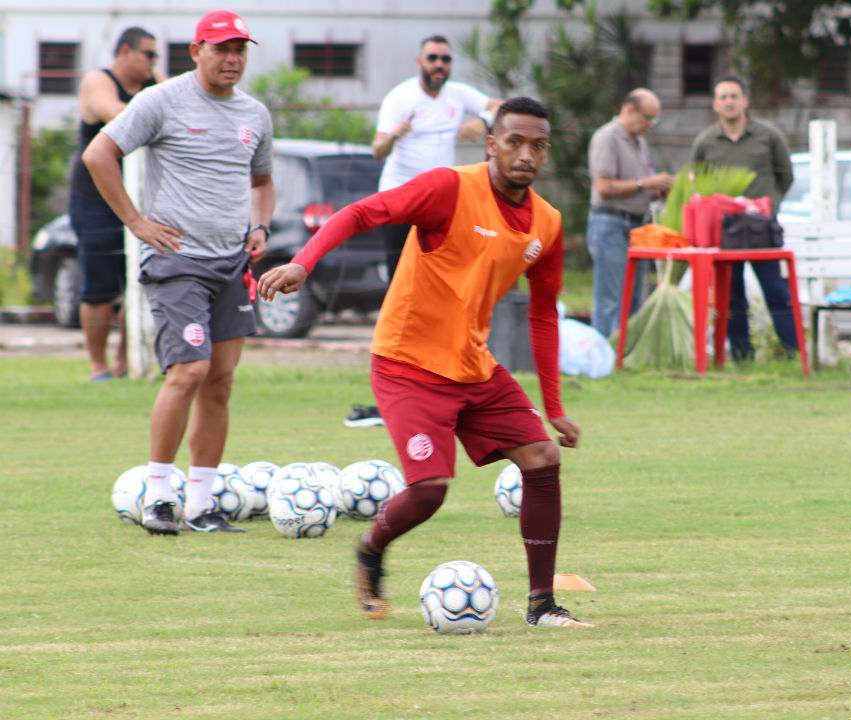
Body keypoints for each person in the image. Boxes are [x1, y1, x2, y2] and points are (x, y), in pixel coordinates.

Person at [260, 97, 593, 629]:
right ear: (491, 144)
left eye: (538, 145)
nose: (526, 154)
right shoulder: (449, 189)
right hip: (407, 363)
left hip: (474, 365)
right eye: (514, 142)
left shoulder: (547, 224)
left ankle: (542, 605)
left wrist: (554, 408)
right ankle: (371, 548)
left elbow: (543, 316)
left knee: (542, 458)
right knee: (431, 489)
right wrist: (304, 262)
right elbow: (361, 212)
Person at [83, 10, 275, 535]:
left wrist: (260, 225)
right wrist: (135, 221)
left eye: (239, 49)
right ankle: (159, 497)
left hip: (232, 262)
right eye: (221, 48)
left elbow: (262, 181)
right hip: (178, 262)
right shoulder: (161, 100)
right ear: (196, 51)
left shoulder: (255, 114)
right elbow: (99, 154)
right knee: (188, 371)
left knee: (220, 382)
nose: (231, 59)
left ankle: (201, 506)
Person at [345, 35, 502, 428]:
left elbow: (501, 107)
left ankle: (439, 383)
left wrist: (482, 123)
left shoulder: (457, 94)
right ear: (419, 61)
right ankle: (393, 390)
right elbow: (377, 150)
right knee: (402, 294)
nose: (439, 65)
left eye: (445, 59)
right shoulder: (401, 98)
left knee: (444, 292)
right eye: (433, 58)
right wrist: (395, 134)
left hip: (440, 208)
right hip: (400, 204)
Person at [68, 26, 164, 382]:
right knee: (100, 286)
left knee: (139, 281)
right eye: (149, 54)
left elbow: (183, 106)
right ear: (126, 51)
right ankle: (99, 366)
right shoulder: (98, 81)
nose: (154, 62)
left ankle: (127, 360)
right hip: (94, 201)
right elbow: (118, 116)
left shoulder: (154, 84)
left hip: (140, 200)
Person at [691, 75, 797, 360]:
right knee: (731, 296)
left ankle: (794, 354)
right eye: (723, 97)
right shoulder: (705, 142)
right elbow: (699, 183)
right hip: (725, 230)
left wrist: (768, 206)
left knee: (778, 292)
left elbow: (785, 176)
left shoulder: (768, 135)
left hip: (763, 228)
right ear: (715, 104)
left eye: (734, 96)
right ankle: (741, 356)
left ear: (745, 101)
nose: (729, 102)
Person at [586, 88, 674, 339]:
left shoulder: (640, 142)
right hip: (610, 224)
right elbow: (604, 187)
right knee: (609, 300)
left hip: (637, 227)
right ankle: (603, 353)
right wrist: (646, 183)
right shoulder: (607, 137)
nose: (650, 124)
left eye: (654, 119)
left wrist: (662, 189)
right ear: (629, 109)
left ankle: (628, 353)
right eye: (648, 117)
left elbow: (640, 185)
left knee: (635, 299)